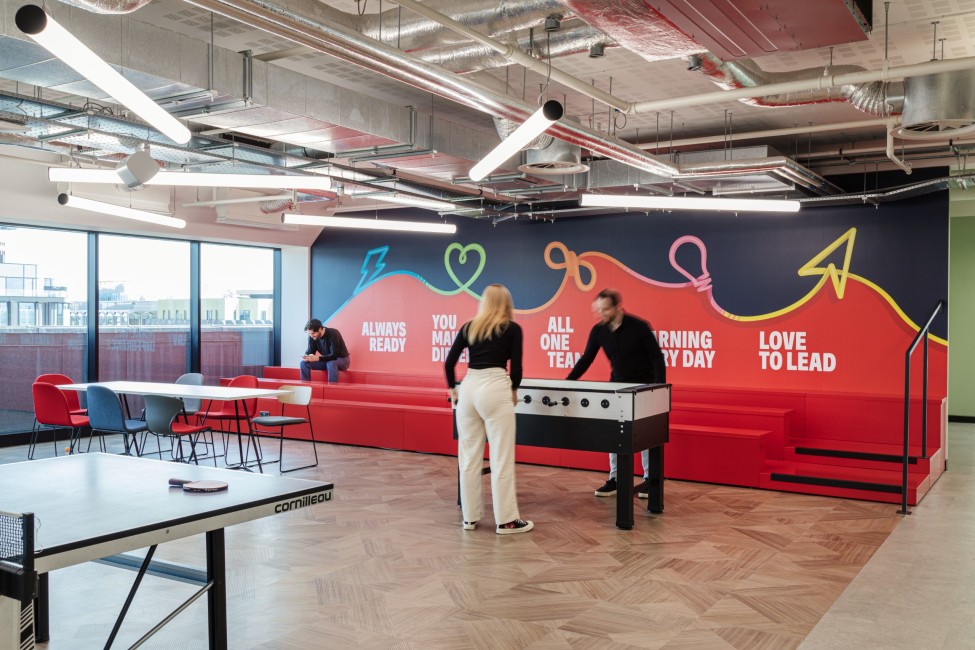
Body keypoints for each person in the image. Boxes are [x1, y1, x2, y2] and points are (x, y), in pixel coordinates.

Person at [444, 284, 533, 535]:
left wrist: (453, 390)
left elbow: (450, 362)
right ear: (506, 303)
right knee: (501, 458)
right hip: (495, 386)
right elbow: (516, 369)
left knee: (469, 458)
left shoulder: (469, 327)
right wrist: (514, 390)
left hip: (469, 387)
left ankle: (470, 519)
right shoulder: (512, 329)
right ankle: (506, 521)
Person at [566, 288, 667, 499]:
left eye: (605, 310)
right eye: (598, 310)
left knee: (646, 436)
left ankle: (649, 480)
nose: (601, 314)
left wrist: (658, 389)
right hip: (616, 388)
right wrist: (568, 382)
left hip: (644, 387)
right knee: (615, 435)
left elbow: (657, 358)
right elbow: (586, 359)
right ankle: (616, 478)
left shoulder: (639, 327)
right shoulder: (599, 330)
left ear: (617, 307)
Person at [300, 318, 351, 383]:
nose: (311, 336)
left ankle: (331, 389)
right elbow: (310, 351)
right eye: (309, 334)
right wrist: (307, 356)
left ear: (320, 328)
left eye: (313, 333)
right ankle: (305, 388)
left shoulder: (333, 333)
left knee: (331, 363)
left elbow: (334, 356)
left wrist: (317, 358)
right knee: (303, 363)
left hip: (342, 360)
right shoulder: (312, 337)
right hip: (326, 360)